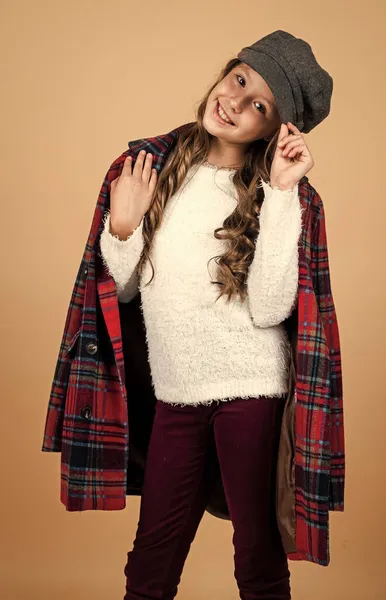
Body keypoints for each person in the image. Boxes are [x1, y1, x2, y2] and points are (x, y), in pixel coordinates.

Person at [96, 29, 333, 600]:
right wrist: (122, 228)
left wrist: (279, 194)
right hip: (178, 393)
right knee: (151, 559)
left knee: (257, 555)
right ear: (227, 71)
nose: (235, 102)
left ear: (273, 131)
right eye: (240, 80)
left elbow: (274, 307)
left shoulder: (284, 196)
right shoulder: (153, 167)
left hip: (252, 387)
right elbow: (123, 294)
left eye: (259, 108)